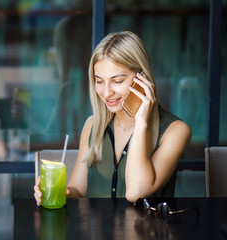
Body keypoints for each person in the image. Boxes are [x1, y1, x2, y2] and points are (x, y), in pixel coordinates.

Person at [34, 31, 191, 204]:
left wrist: (141, 123)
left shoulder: (175, 131)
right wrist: (59, 193)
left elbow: (136, 193)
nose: (107, 92)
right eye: (99, 81)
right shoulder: (92, 125)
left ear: (142, 79)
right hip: (94, 230)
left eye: (117, 81)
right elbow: (78, 189)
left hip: (146, 231)